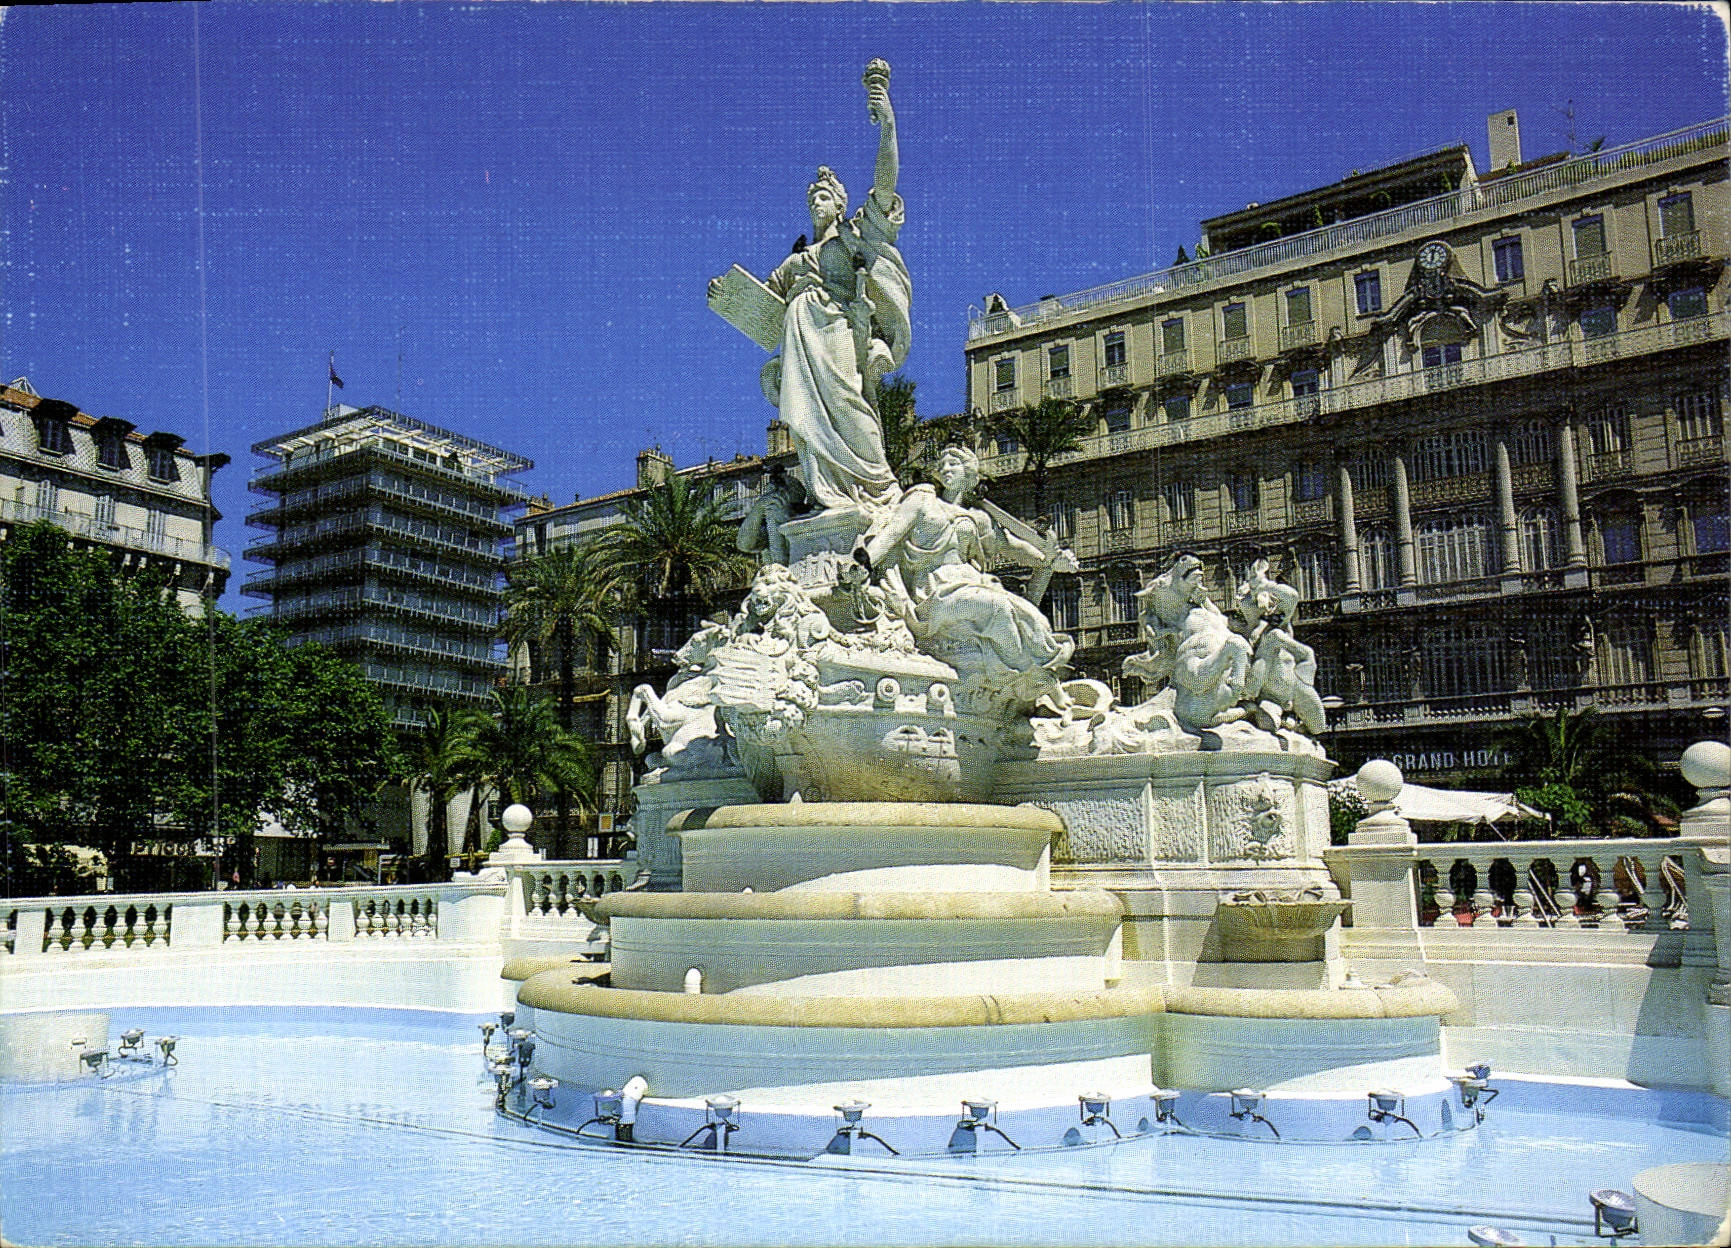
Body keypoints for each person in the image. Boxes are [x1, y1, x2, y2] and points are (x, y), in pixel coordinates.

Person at [711, 61, 910, 513]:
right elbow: (759, 301)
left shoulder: (853, 237)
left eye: (824, 196)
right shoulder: (794, 261)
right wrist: (727, 296)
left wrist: (888, 126)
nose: (816, 202)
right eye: (811, 198)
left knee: (847, 400)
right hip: (798, 338)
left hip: (835, 329)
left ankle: (876, 485)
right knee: (804, 421)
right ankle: (827, 496)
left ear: (840, 203)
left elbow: (885, 183)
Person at [850, 445, 1073, 701]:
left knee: (1030, 616)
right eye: (942, 464)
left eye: (953, 464)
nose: (946, 469)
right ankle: (1028, 676)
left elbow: (1013, 547)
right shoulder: (923, 499)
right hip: (934, 591)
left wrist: (1051, 560)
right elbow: (890, 535)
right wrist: (863, 564)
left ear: (969, 473)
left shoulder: (977, 518)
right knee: (996, 606)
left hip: (970, 583)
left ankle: (1035, 675)